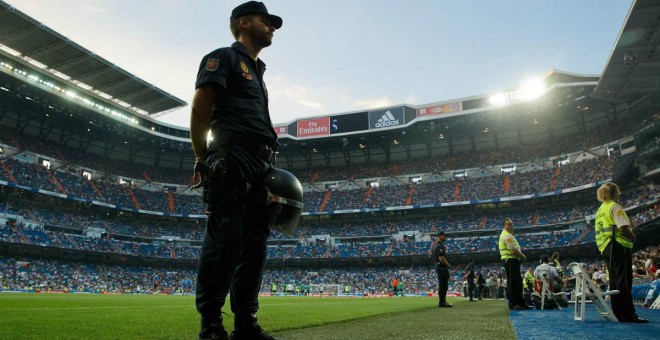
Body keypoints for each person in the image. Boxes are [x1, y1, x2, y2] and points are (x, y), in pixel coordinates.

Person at [190, 2, 285, 339]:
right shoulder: (223, 57)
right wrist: (202, 159)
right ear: (243, 23)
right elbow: (201, 107)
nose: (272, 27)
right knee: (225, 239)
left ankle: (246, 323)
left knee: (255, 245)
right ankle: (212, 324)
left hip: (261, 162)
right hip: (232, 157)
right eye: (266, 21)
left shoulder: (258, 72)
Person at [594, 182, 649, 323]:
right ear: (613, 193)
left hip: (605, 247)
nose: (619, 194)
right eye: (617, 192)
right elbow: (623, 227)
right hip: (618, 246)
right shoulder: (614, 206)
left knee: (614, 282)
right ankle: (629, 314)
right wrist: (633, 237)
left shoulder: (600, 209)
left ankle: (618, 314)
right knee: (624, 281)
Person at [499, 218, 531, 310]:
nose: (511, 225)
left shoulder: (508, 235)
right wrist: (523, 256)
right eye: (509, 224)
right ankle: (514, 303)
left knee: (516, 282)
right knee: (513, 283)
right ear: (504, 226)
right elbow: (513, 250)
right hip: (511, 260)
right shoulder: (507, 236)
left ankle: (519, 303)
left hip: (511, 260)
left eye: (512, 223)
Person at [433, 231, 452, 307]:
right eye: (444, 236)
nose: (446, 237)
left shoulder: (436, 245)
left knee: (443, 285)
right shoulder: (439, 246)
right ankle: (442, 302)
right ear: (440, 236)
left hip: (438, 266)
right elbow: (441, 258)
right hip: (441, 267)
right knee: (443, 285)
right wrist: (448, 265)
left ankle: (442, 301)